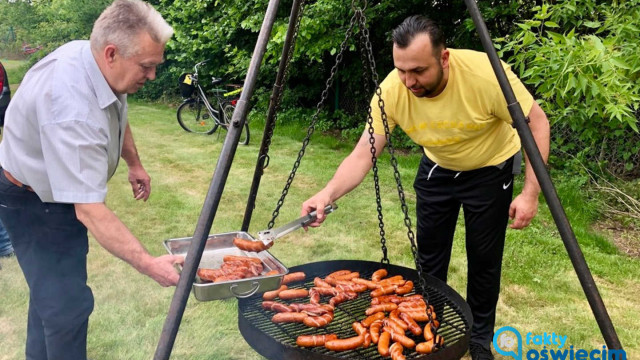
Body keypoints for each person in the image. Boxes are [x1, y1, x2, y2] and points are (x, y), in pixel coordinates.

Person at [301, 15, 550, 360]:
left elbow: (537, 122)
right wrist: (327, 193)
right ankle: (427, 329)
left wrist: (531, 192)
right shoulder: (392, 90)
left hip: (490, 168)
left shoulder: (486, 75)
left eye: (418, 71)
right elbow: (364, 151)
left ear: (444, 58)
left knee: (484, 262)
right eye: (402, 70)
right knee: (430, 261)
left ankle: (479, 340)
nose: (409, 81)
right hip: (438, 167)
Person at [0, 1, 184, 359]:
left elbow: (118, 110)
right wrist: (149, 264)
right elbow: (89, 210)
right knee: (67, 309)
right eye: (146, 67)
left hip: (47, 192)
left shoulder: (96, 60)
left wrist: (134, 163)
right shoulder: (71, 109)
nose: (152, 77)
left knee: (50, 299)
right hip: (32, 202)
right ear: (112, 53)